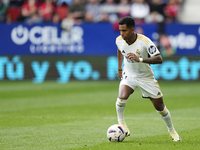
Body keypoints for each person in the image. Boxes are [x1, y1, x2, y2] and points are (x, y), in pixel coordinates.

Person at [115, 16, 181, 142]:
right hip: (129, 74)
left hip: (146, 77)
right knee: (121, 97)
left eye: (124, 31)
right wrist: (119, 68)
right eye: (120, 30)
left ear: (132, 29)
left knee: (160, 107)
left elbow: (159, 59)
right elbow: (120, 49)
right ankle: (122, 123)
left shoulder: (145, 42)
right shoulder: (119, 40)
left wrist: (139, 59)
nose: (122, 34)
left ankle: (172, 130)